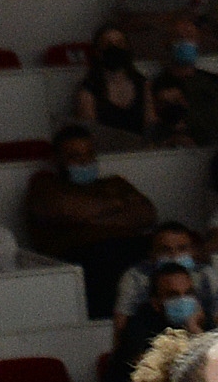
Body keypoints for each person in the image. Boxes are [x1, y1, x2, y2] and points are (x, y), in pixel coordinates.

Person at [27, 125, 160, 316]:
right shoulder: (46, 187)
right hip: (83, 259)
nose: (84, 161)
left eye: (89, 154)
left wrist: (92, 216)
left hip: (130, 249)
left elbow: (147, 213)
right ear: (57, 159)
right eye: (75, 156)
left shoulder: (114, 183)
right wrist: (119, 205)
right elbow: (68, 209)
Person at [116, 225, 218, 331]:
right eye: (166, 250)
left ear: (192, 251)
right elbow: (122, 332)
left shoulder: (204, 274)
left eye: (182, 249)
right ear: (153, 253)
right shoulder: (135, 277)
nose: (174, 255)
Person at [118, 265, 213, 382]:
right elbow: (150, 374)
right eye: (173, 295)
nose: (183, 299)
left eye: (188, 293)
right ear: (156, 302)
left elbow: (215, 367)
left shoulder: (202, 319)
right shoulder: (140, 324)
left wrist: (194, 329)